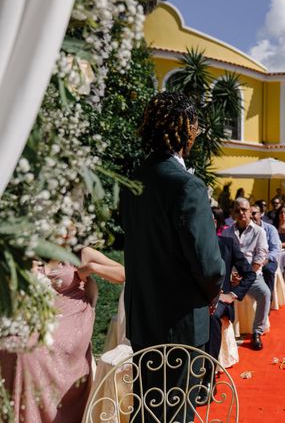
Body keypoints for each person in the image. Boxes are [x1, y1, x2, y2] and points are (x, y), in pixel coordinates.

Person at [120, 92, 225, 422]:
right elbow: (208, 265)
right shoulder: (187, 186)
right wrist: (212, 295)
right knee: (176, 414)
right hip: (180, 325)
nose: (196, 134)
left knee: (147, 410)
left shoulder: (132, 181)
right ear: (186, 128)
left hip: (143, 318)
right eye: (195, 126)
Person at [0, 248, 124, 422]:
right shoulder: (31, 250)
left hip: (72, 313)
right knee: (11, 344)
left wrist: (90, 268)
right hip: (37, 311)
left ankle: (58, 415)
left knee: (39, 349)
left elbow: (122, 274)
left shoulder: (82, 253)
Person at [222, 198, 270, 350]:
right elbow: (223, 258)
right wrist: (230, 276)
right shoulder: (226, 232)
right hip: (231, 277)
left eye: (244, 210)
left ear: (250, 211)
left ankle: (257, 332)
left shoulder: (259, 232)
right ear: (233, 213)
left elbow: (260, 258)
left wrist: (245, 277)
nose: (241, 213)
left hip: (252, 275)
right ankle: (225, 335)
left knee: (265, 293)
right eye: (237, 210)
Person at [208, 233, 256, 362]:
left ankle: (208, 372)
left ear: (214, 223)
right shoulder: (188, 243)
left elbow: (250, 274)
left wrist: (232, 295)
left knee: (211, 317)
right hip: (196, 297)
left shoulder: (227, 244)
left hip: (220, 299)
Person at [251, 204, 282, 296]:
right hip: (251, 259)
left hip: (267, 260)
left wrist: (265, 259)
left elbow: (276, 250)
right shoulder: (246, 229)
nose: (251, 216)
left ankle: (267, 300)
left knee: (268, 270)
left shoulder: (270, 229)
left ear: (261, 214)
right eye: (250, 213)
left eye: (254, 213)